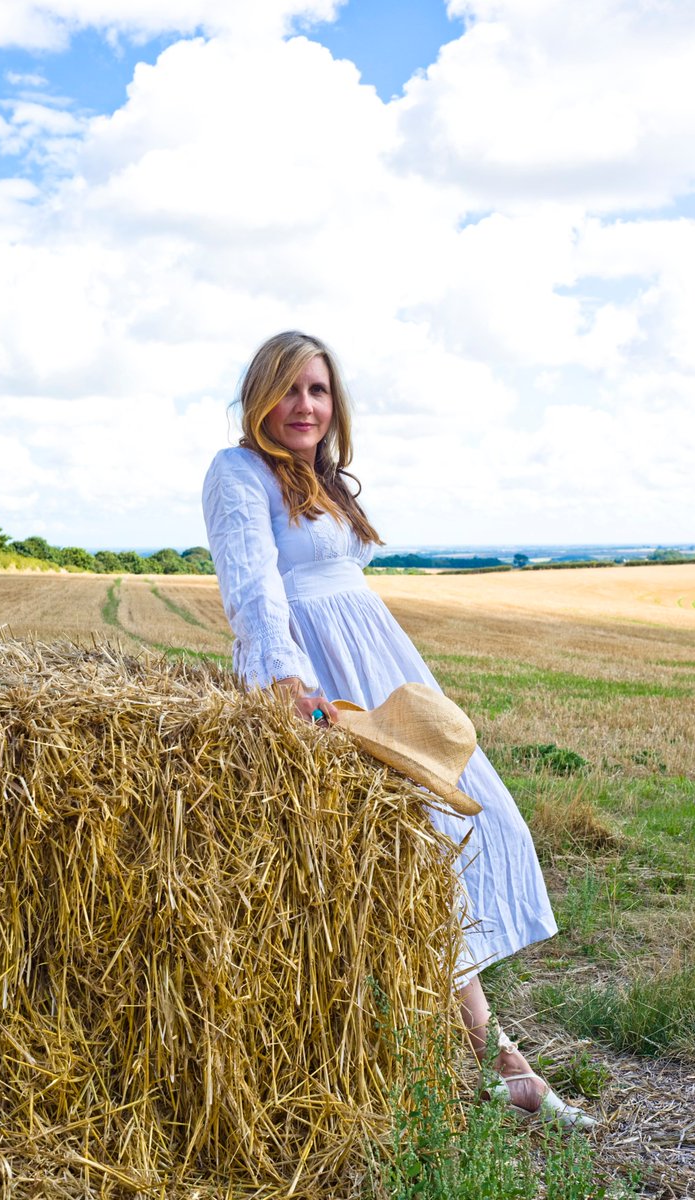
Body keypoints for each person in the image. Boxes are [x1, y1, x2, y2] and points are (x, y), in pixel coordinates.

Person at [202, 330, 595, 1129]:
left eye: (317, 390)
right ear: (259, 399)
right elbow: (251, 582)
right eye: (288, 389)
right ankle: (501, 1061)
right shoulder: (236, 470)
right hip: (311, 674)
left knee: (470, 826)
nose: (304, 405)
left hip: (377, 662)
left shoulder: (323, 479)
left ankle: (486, 1058)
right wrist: (283, 677)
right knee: (410, 852)